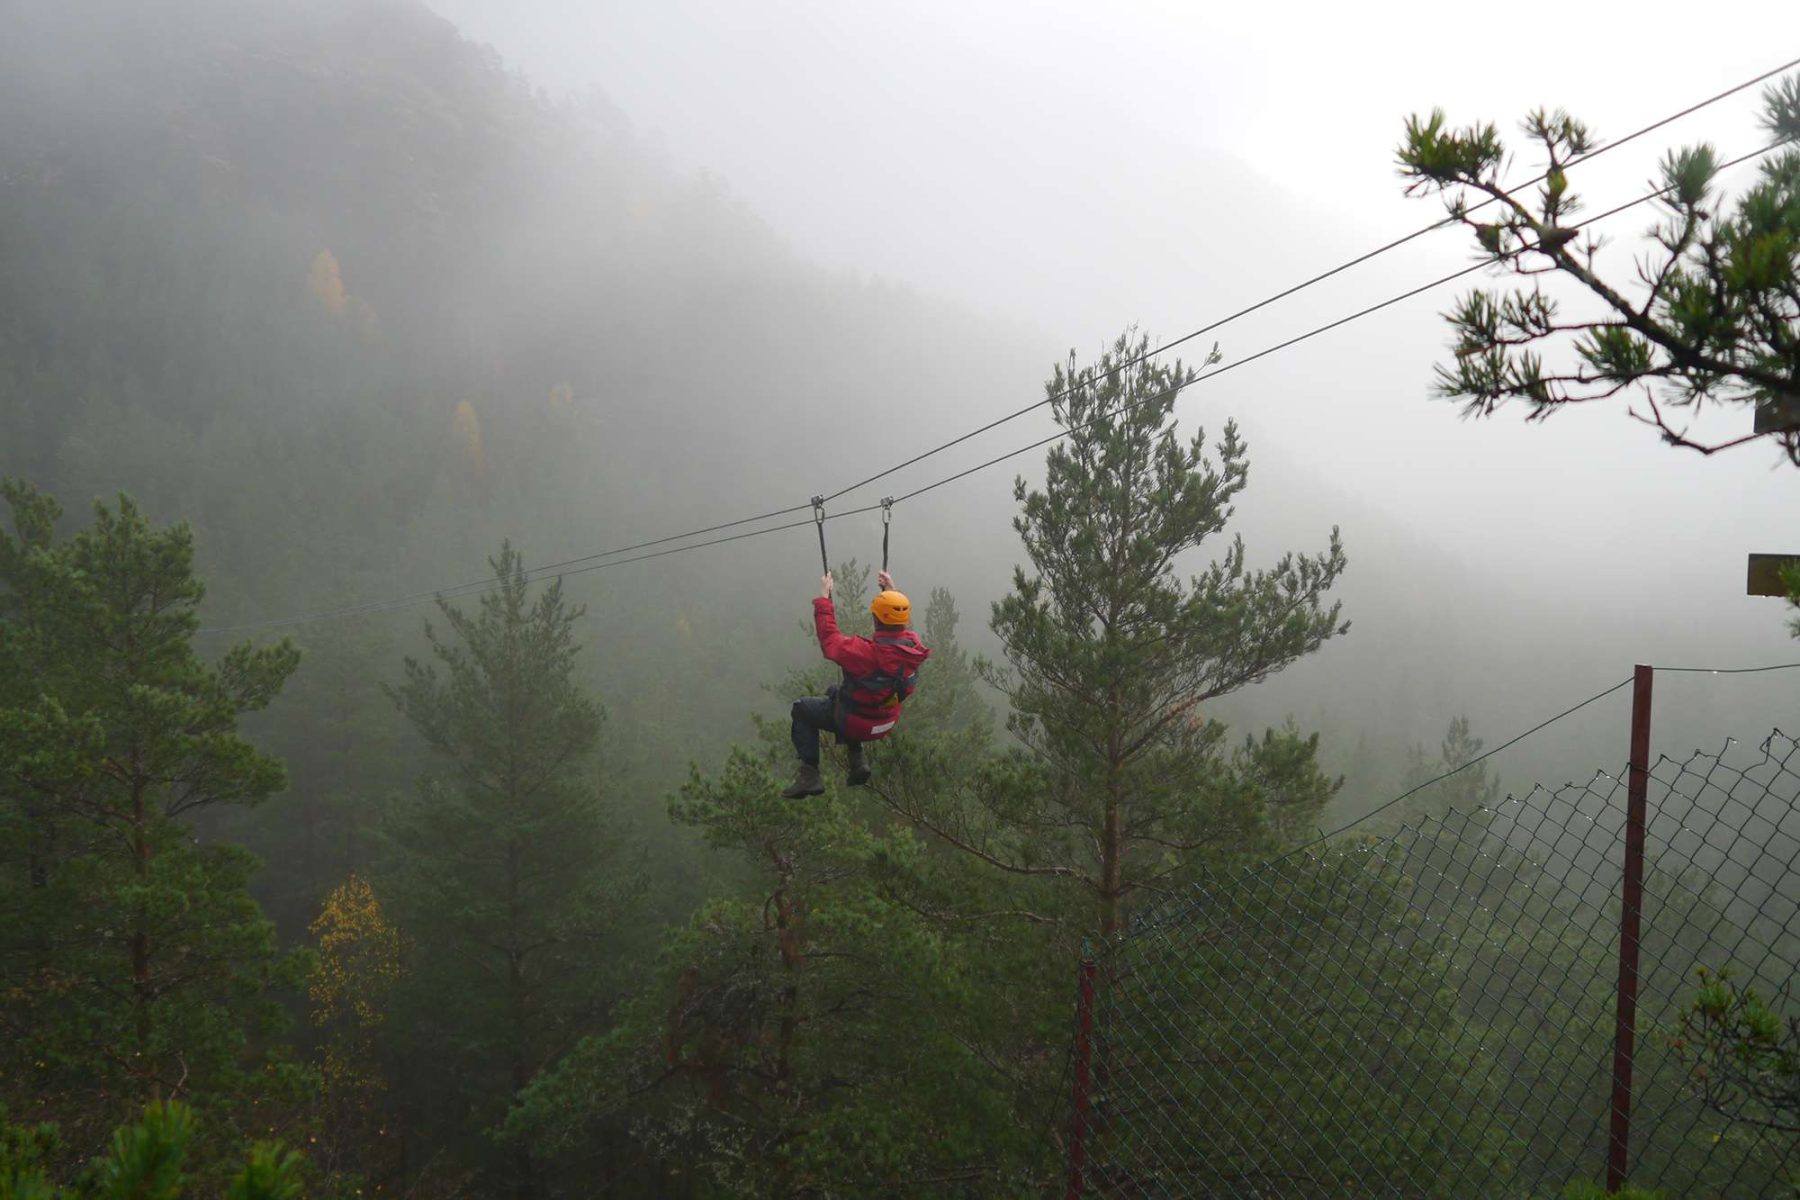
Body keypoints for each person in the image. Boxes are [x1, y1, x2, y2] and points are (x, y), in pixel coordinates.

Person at [781, 568, 931, 798]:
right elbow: (900, 628)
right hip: (885, 722)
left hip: (855, 722)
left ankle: (809, 776)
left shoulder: (863, 655)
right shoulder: (913, 651)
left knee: (802, 709)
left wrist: (824, 598)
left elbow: (830, 640)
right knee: (839, 693)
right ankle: (857, 761)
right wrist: (891, 592)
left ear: (874, 618)